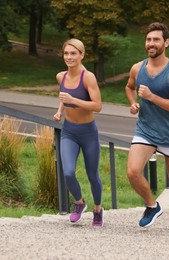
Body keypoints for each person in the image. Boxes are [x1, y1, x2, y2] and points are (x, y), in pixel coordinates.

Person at [125, 22, 169, 234]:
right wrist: (133, 103)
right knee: (133, 171)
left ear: (166, 42)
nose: (151, 43)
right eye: (149, 40)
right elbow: (129, 86)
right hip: (145, 130)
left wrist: (152, 97)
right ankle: (152, 206)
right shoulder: (137, 68)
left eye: (156, 40)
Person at [53, 38, 104, 227]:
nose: (69, 57)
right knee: (67, 173)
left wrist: (73, 100)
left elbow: (97, 105)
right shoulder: (61, 76)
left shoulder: (88, 77)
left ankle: (98, 210)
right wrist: (60, 110)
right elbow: (63, 96)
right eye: (66, 53)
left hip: (88, 133)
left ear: (82, 55)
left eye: (73, 53)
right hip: (69, 132)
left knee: (92, 175)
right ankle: (79, 203)